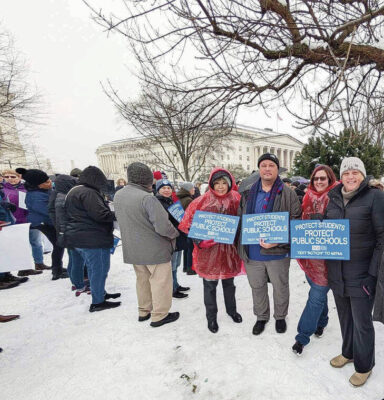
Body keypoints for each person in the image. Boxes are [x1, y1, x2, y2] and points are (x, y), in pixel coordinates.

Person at [325, 157, 384, 387]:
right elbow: (329, 227)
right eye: (346, 173)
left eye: (355, 173)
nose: (351, 177)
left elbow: (382, 238)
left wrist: (372, 273)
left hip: (362, 273)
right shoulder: (334, 198)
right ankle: (348, 352)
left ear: (362, 175)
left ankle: (364, 365)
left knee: (362, 323)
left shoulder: (375, 197)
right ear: (341, 176)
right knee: (345, 318)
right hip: (337, 271)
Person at [237, 153, 301, 335]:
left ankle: (280, 316)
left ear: (277, 169)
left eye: (271, 165)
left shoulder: (288, 193)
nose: (267, 169)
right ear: (259, 169)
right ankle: (261, 316)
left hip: (277, 252)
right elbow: (240, 219)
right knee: (257, 286)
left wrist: (277, 241)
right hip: (252, 251)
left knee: (280, 286)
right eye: (263, 165)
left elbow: (295, 221)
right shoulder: (248, 193)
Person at [114, 162, 180, 327]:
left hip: (133, 248)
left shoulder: (119, 195)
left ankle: (144, 310)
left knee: (142, 281)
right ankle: (159, 315)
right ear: (146, 179)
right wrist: (175, 234)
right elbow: (163, 226)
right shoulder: (147, 198)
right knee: (160, 282)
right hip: (154, 250)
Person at [179, 168, 243, 334]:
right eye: (217, 183)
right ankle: (211, 317)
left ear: (230, 184)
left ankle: (232, 311)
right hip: (208, 253)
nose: (221, 187)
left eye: (224, 183)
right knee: (210, 286)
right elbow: (187, 223)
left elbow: (245, 220)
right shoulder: (201, 201)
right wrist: (199, 240)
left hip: (229, 251)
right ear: (211, 184)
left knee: (229, 284)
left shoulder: (237, 198)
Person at [291, 165, 338, 355]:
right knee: (318, 295)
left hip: (329, 260)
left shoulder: (337, 196)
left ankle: (302, 337)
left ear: (330, 180)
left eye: (323, 178)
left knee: (316, 297)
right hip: (309, 257)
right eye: (316, 178)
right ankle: (323, 321)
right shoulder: (307, 197)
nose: (319, 181)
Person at [65, 166, 121, 312]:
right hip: (93, 238)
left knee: (93, 269)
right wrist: (117, 214)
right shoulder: (88, 192)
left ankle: (100, 293)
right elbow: (101, 215)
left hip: (80, 236)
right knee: (99, 269)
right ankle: (98, 301)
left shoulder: (74, 191)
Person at [16, 168, 65, 279]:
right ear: (38, 185)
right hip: (43, 222)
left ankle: (57, 268)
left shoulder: (42, 191)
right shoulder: (35, 196)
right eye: (47, 182)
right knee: (59, 244)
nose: (50, 183)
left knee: (59, 244)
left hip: (47, 221)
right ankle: (57, 271)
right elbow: (47, 211)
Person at [49, 174, 88, 296]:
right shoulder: (64, 198)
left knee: (74, 258)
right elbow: (66, 218)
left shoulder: (60, 195)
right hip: (71, 232)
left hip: (67, 232)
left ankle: (76, 282)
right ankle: (79, 284)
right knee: (77, 260)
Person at [155, 179, 190, 298]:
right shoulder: (158, 203)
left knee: (176, 264)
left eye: (168, 188)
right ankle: (172, 289)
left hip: (178, 236)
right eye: (163, 188)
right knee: (172, 265)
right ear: (158, 190)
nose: (166, 190)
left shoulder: (170, 201)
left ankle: (176, 284)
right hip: (170, 238)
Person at [177, 182, 196, 275]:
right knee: (191, 248)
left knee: (187, 248)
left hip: (183, 226)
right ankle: (190, 268)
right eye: (192, 188)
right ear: (188, 190)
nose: (194, 190)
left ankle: (185, 267)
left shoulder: (182, 199)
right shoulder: (188, 200)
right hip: (189, 226)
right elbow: (191, 214)